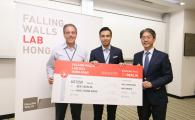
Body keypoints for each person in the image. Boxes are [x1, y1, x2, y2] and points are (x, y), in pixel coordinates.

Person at [46, 23, 87, 120]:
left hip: (76, 89)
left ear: (76, 34)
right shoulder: (57, 50)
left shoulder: (83, 51)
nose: (70, 35)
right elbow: (50, 66)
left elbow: (87, 69)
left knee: (76, 116)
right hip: (61, 89)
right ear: (64, 34)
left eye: (73, 32)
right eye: (67, 32)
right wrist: (50, 76)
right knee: (59, 116)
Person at [133, 28, 173, 120]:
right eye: (143, 37)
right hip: (142, 98)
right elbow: (135, 75)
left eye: (148, 37)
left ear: (154, 39)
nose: (145, 40)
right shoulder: (137, 56)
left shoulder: (162, 56)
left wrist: (152, 84)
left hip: (158, 98)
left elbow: (168, 76)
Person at [89, 27, 124, 120]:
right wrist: (92, 64)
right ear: (99, 37)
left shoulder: (118, 51)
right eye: (103, 36)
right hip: (98, 88)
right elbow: (90, 72)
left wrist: (122, 65)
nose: (105, 38)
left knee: (112, 114)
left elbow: (121, 69)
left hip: (113, 88)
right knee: (97, 114)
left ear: (111, 37)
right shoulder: (94, 52)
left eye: (107, 36)